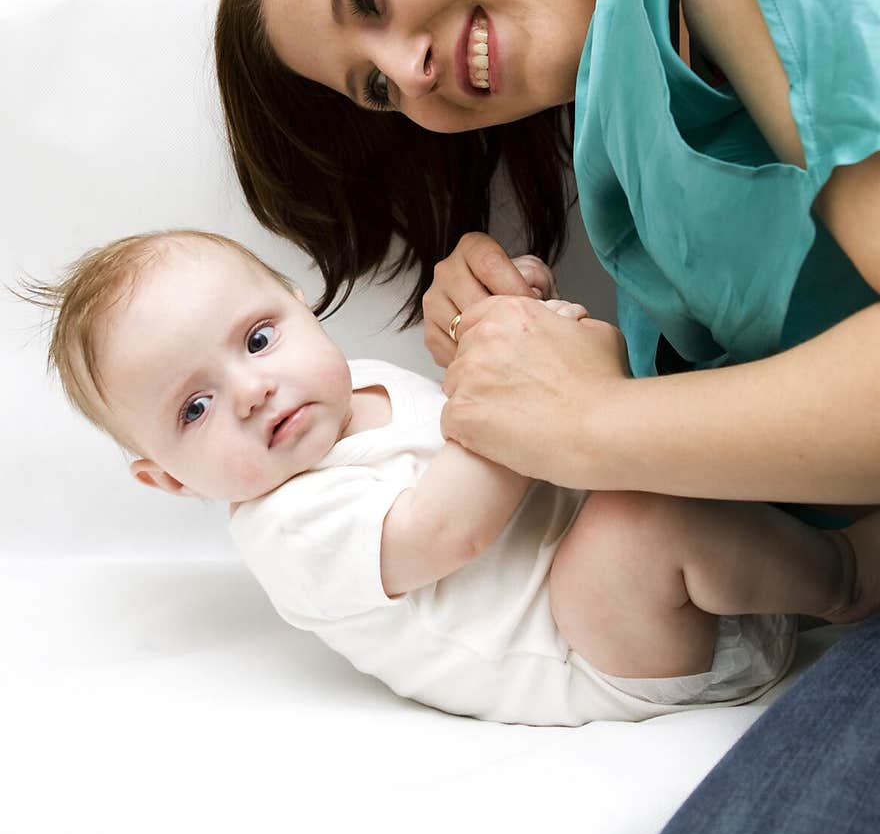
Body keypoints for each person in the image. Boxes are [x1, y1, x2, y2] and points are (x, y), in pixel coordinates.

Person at [212, 0, 880, 834]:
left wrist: (586, 423)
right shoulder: (630, 149)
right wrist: (527, 341)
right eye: (374, 91)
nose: (407, 73)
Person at [26, 228, 879, 729]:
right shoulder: (289, 528)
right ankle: (842, 578)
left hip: (664, 581)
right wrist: (512, 377)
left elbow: (514, 422)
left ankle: (802, 532)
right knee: (633, 521)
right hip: (597, 652)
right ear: (168, 481)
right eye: (195, 409)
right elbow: (453, 526)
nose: (253, 392)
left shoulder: (361, 383)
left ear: (299, 302)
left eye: (256, 339)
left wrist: (514, 320)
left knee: (645, 460)